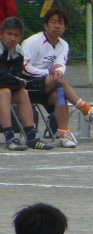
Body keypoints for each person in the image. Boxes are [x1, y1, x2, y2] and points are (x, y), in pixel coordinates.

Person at [21, 7, 93, 148]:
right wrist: (48, 73)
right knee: (56, 79)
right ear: (46, 25)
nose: (57, 26)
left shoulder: (63, 45)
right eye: (53, 22)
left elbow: (60, 65)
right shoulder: (33, 42)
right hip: (26, 85)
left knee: (60, 95)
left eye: (60, 23)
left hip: (49, 86)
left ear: (65, 28)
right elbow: (24, 67)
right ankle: (85, 109)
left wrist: (58, 72)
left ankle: (63, 134)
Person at [0, 17, 54, 151]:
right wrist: (17, 81)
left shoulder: (18, 51)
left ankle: (31, 137)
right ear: (1, 34)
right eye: (9, 34)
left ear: (20, 38)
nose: (12, 38)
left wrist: (18, 82)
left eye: (16, 35)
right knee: (5, 91)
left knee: (22, 93)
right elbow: (3, 77)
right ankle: (9, 137)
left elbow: (16, 77)